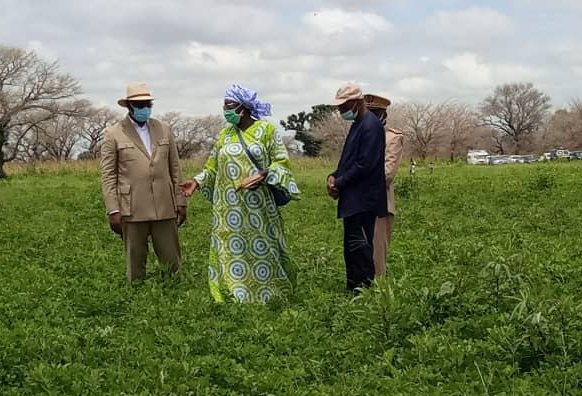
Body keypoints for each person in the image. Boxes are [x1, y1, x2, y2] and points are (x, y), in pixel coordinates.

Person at [180, 84, 300, 303]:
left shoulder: (267, 130)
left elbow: (282, 162)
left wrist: (263, 174)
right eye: (224, 105)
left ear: (242, 107)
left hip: (258, 205)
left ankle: (270, 290)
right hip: (229, 208)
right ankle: (234, 291)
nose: (224, 109)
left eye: (228, 105)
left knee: (263, 244)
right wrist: (196, 182)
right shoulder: (225, 135)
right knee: (231, 247)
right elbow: (212, 167)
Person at [100, 82, 186, 281]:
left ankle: (172, 297)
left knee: (172, 263)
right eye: (139, 106)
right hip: (132, 209)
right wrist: (113, 210)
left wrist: (181, 201)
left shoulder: (164, 129)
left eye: (147, 104)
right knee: (136, 264)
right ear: (129, 107)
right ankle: (136, 299)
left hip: (164, 206)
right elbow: (108, 175)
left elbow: (175, 168)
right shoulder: (113, 134)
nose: (144, 109)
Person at [327, 82, 387, 294]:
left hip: (364, 199)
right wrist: (333, 175)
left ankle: (363, 289)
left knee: (361, 247)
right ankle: (353, 286)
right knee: (352, 247)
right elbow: (348, 160)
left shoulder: (371, 126)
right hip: (354, 199)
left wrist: (339, 183)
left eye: (344, 106)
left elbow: (364, 165)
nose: (341, 110)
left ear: (357, 102)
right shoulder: (358, 124)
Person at [364, 93, 404, 276]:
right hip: (357, 204)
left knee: (377, 255)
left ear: (384, 116)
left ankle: (378, 294)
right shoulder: (359, 135)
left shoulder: (392, 138)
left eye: (375, 113)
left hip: (379, 203)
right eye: (368, 112)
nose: (370, 117)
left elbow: (386, 175)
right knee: (359, 250)